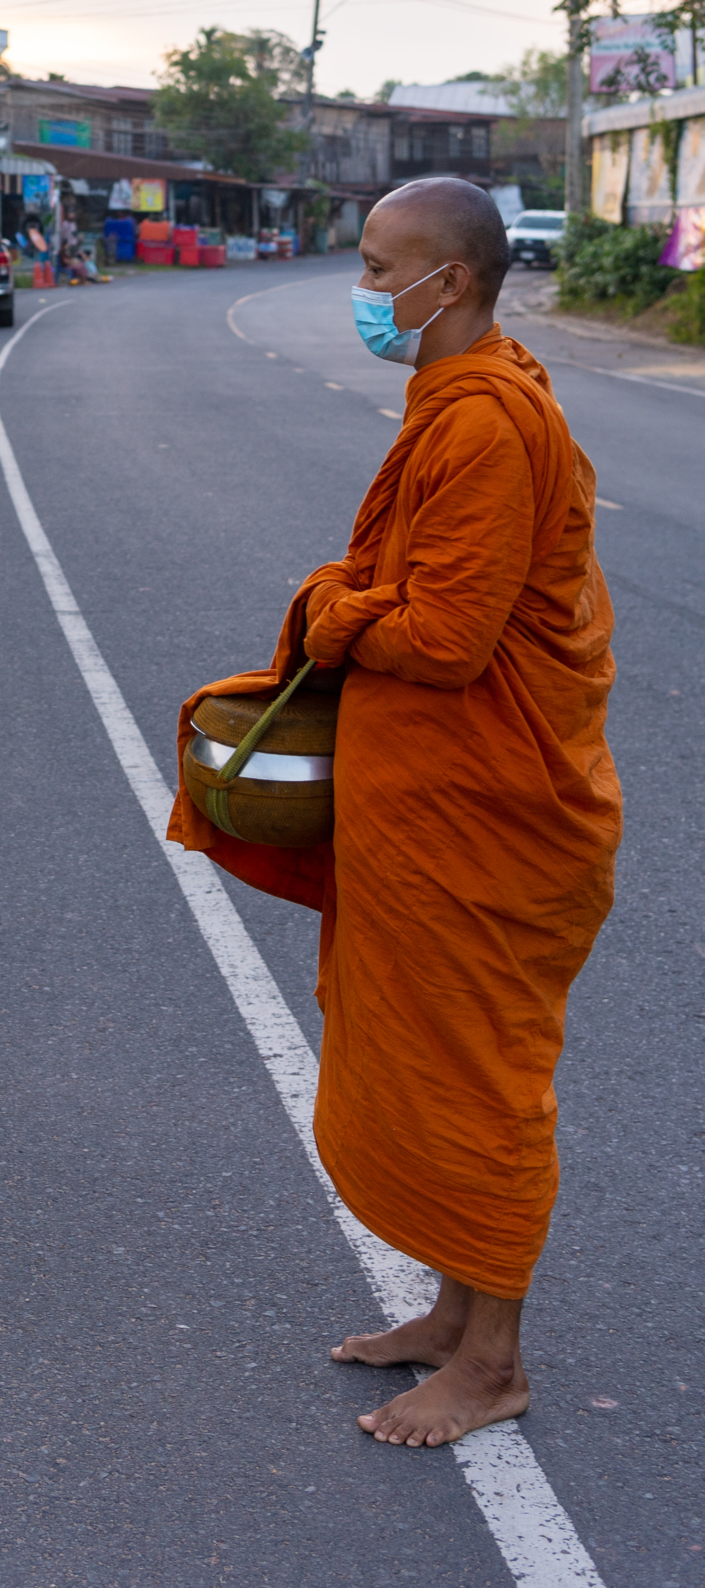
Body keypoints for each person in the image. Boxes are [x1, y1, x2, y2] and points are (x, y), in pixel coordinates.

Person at [169, 176, 619, 1449]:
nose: (365, 290)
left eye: (379, 268)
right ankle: (449, 1311)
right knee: (429, 1059)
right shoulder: (468, 390)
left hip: (492, 814)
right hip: (431, 811)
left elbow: (450, 635)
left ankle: (495, 1363)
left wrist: (330, 603)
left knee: (480, 1078)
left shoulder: (484, 421)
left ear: (452, 282)